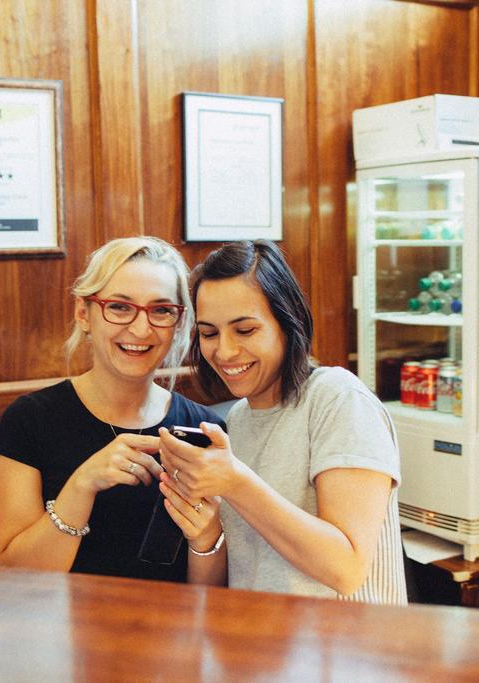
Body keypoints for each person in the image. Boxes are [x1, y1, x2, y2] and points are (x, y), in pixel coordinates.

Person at [158, 240, 407, 603]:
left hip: (349, 653)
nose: (224, 351)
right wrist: (206, 536)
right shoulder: (238, 420)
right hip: (262, 649)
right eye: (210, 333)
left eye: (245, 330)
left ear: (287, 322)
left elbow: (347, 570)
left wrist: (237, 483)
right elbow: (240, 579)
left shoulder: (338, 398)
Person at [0, 236, 225, 582]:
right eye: (120, 307)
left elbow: (212, 595)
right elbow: (13, 573)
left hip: (171, 630)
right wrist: (82, 485)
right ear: (84, 313)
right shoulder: (29, 421)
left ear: (178, 324)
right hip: (62, 631)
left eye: (161, 310)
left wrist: (206, 538)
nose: (141, 328)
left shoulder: (205, 429)